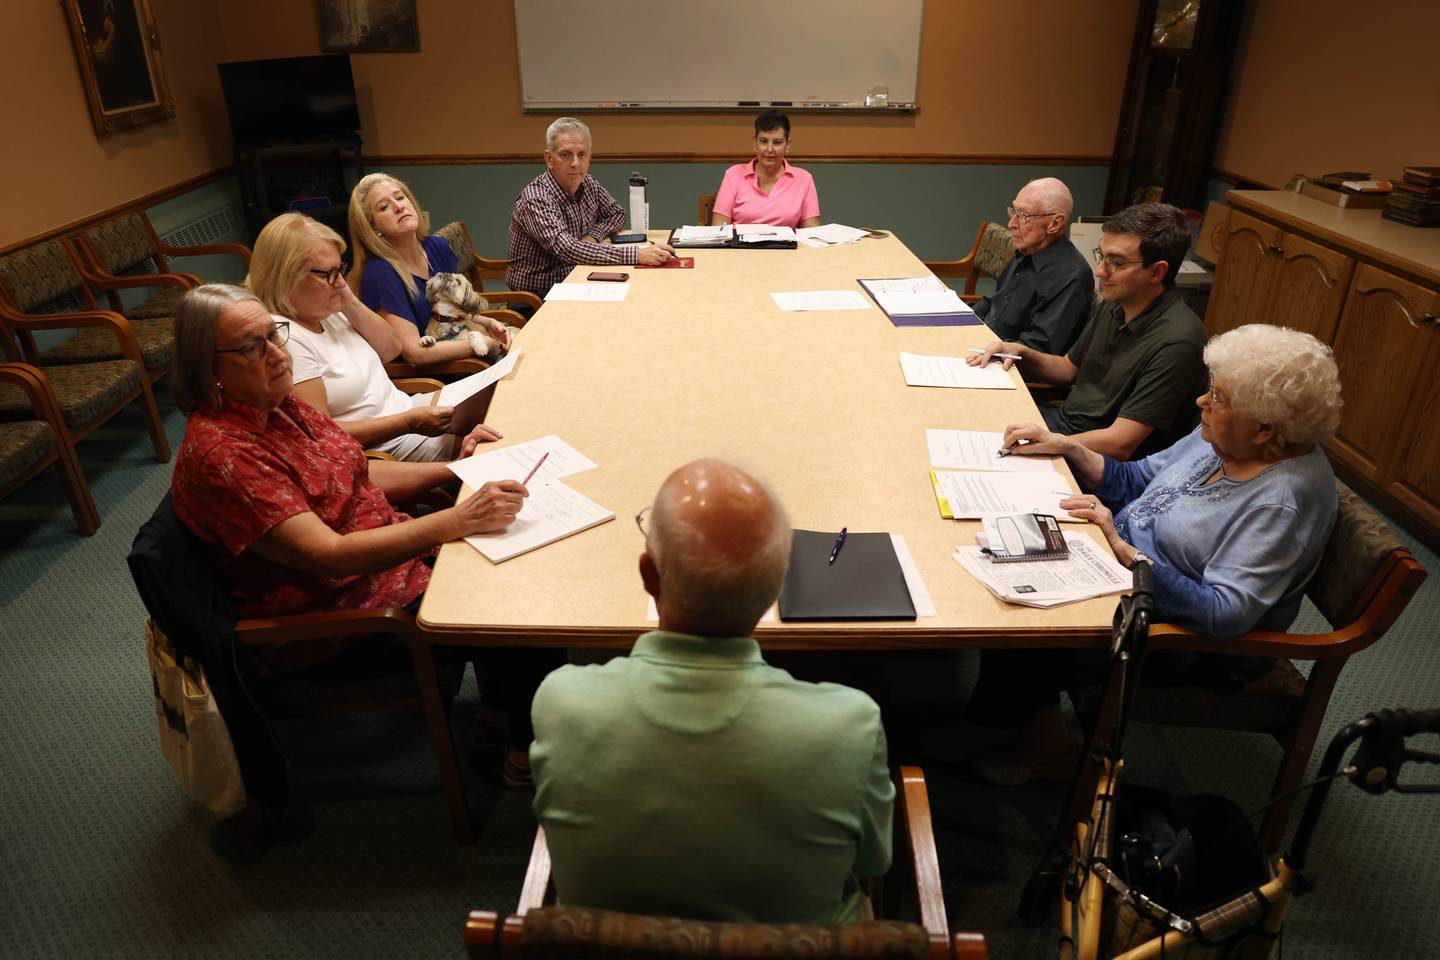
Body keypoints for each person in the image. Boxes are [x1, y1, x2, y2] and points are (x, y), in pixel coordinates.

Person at [169, 283, 550, 773]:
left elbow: (358, 473)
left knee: (517, 553)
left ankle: (502, 716)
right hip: (341, 612)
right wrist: (455, 519)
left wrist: (458, 470)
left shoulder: (276, 402)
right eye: (250, 346)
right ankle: (522, 755)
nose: (278, 354)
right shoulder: (226, 455)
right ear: (208, 369)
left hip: (386, 559)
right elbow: (329, 555)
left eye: (273, 334)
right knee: (520, 603)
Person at [956, 324, 1343, 787]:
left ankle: (1044, 746)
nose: (1202, 401)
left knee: (1030, 620)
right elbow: (1139, 479)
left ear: (1265, 429)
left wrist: (1124, 553)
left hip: (1186, 639)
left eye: (1218, 397)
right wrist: (1069, 448)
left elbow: (1223, 614)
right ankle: (994, 723)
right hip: (1122, 569)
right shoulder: (1224, 438)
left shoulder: (1280, 502)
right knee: (1005, 549)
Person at [530, 459, 894, 923]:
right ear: (778, 586)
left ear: (649, 575)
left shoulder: (563, 702)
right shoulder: (849, 726)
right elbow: (874, 862)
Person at [247, 212, 499, 462]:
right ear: (288, 276)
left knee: (504, 390)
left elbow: (390, 349)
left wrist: (348, 299)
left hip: (407, 409)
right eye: (328, 273)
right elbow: (322, 435)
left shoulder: (325, 309)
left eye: (340, 269)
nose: (339, 282)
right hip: (387, 443)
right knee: (498, 443)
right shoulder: (283, 337)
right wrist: (407, 422)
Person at [969, 202, 1207, 460]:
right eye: (1101, 256)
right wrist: (1018, 351)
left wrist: (1049, 441)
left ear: (1157, 271)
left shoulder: (1177, 341)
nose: (1100, 271)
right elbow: (1067, 369)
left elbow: (1121, 443)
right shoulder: (1116, 303)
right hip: (1060, 427)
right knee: (964, 418)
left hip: (1096, 458)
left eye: (1116, 262)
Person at [506, 117, 676, 297]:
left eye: (581, 155)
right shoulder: (536, 198)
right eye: (566, 155)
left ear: (589, 158)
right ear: (549, 159)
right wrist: (636, 255)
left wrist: (593, 236)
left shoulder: (587, 182)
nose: (575, 163)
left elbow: (616, 213)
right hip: (537, 295)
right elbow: (567, 248)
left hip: (578, 275)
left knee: (645, 291)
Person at [349, 172, 505, 368]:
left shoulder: (436, 246)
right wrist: (483, 344)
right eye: (384, 207)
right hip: (437, 375)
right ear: (373, 228)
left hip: (464, 355)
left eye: (400, 197)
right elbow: (415, 354)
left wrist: (488, 323)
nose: (399, 206)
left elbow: (454, 312)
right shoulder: (381, 273)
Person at [970, 178, 1093, 355]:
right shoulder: (1027, 250)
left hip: (1008, 362)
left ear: (1055, 223)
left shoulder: (1072, 276)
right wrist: (957, 319)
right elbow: (994, 304)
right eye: (1013, 212)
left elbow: (1038, 347)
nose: (1011, 223)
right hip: (985, 342)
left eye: (1023, 216)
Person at [709, 110, 821, 229]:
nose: (769, 149)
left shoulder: (804, 179)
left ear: (787, 145)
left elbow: (812, 231)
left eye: (777, 143)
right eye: (763, 141)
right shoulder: (733, 175)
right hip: (741, 241)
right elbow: (718, 229)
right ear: (755, 143)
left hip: (786, 241)